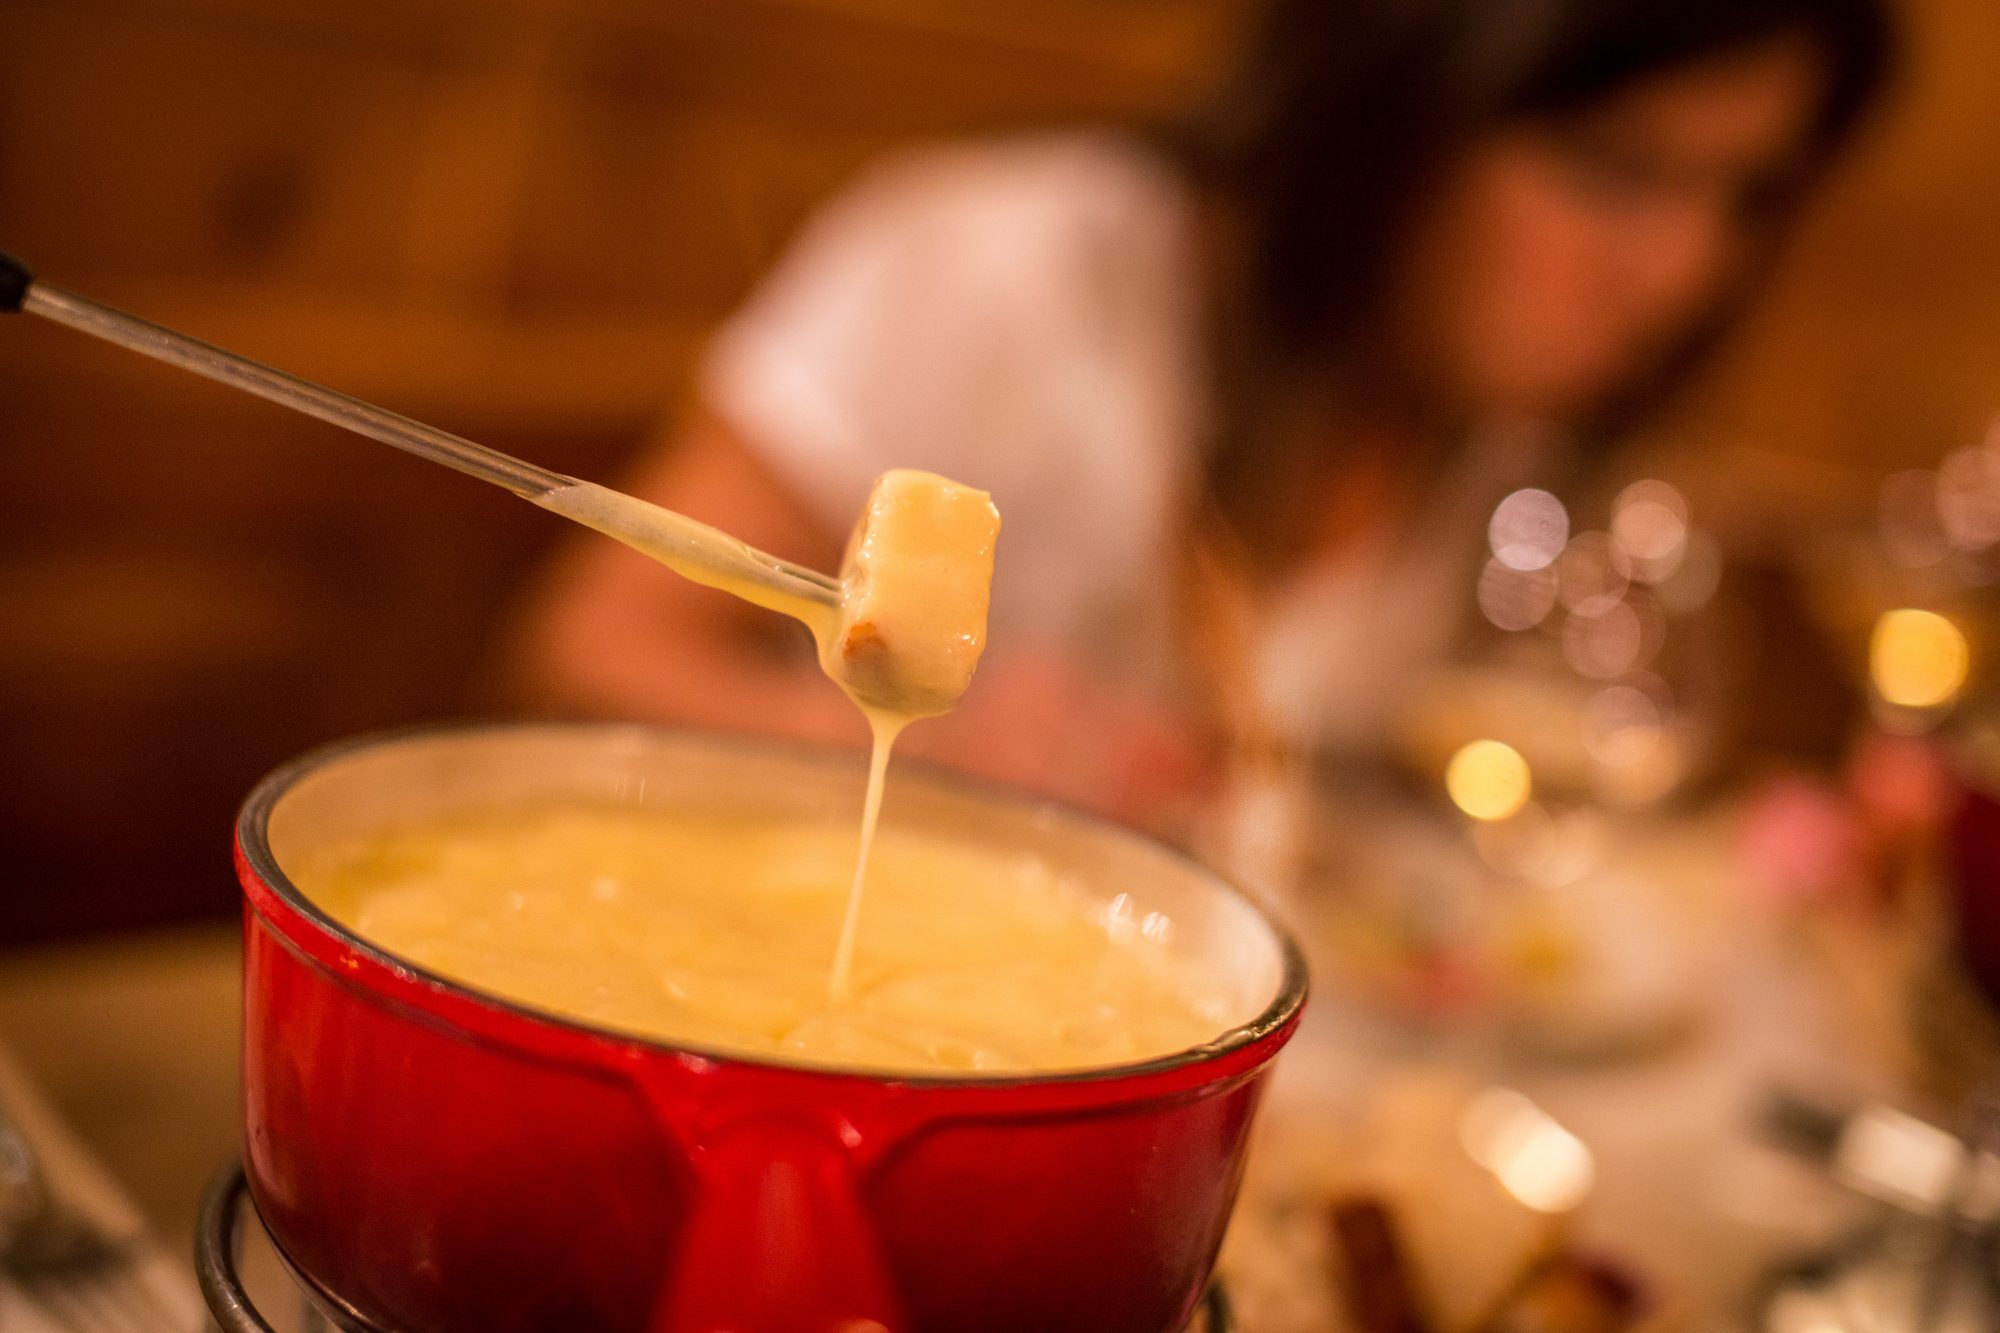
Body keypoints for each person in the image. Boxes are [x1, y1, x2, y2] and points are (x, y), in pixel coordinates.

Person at [510, 0, 1893, 840]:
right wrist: (929, 743)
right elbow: (580, 650)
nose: (1688, 272)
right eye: (1615, 169)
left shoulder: (1509, 433)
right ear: (1398, 100)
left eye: (1747, 196)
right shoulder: (1009, 263)